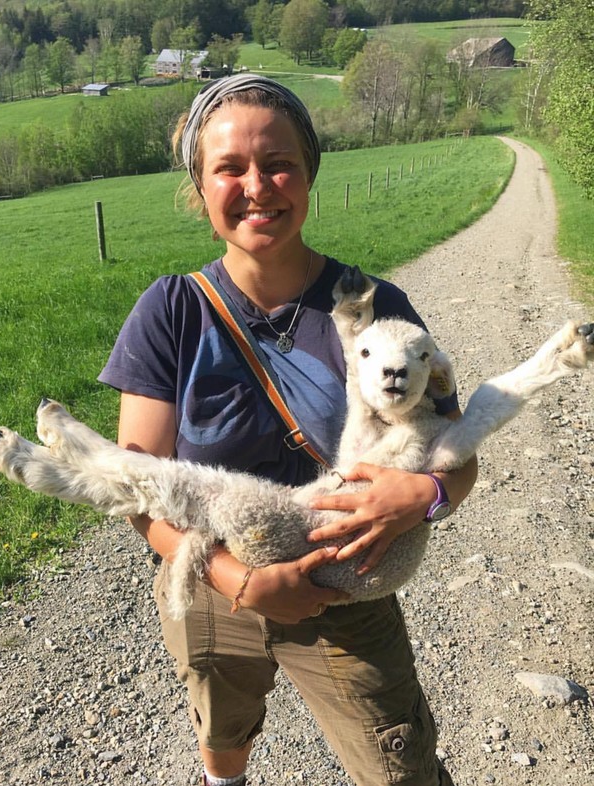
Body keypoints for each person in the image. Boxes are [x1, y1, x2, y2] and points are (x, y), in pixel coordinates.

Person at [98, 74, 477, 786]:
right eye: (229, 168)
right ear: (200, 187)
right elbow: (134, 477)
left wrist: (421, 496)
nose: (258, 186)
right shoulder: (171, 311)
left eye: (278, 164)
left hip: (348, 590)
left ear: (308, 175)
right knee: (224, 727)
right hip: (212, 581)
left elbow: (459, 461)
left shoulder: (371, 307)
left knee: (400, 767)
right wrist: (238, 580)